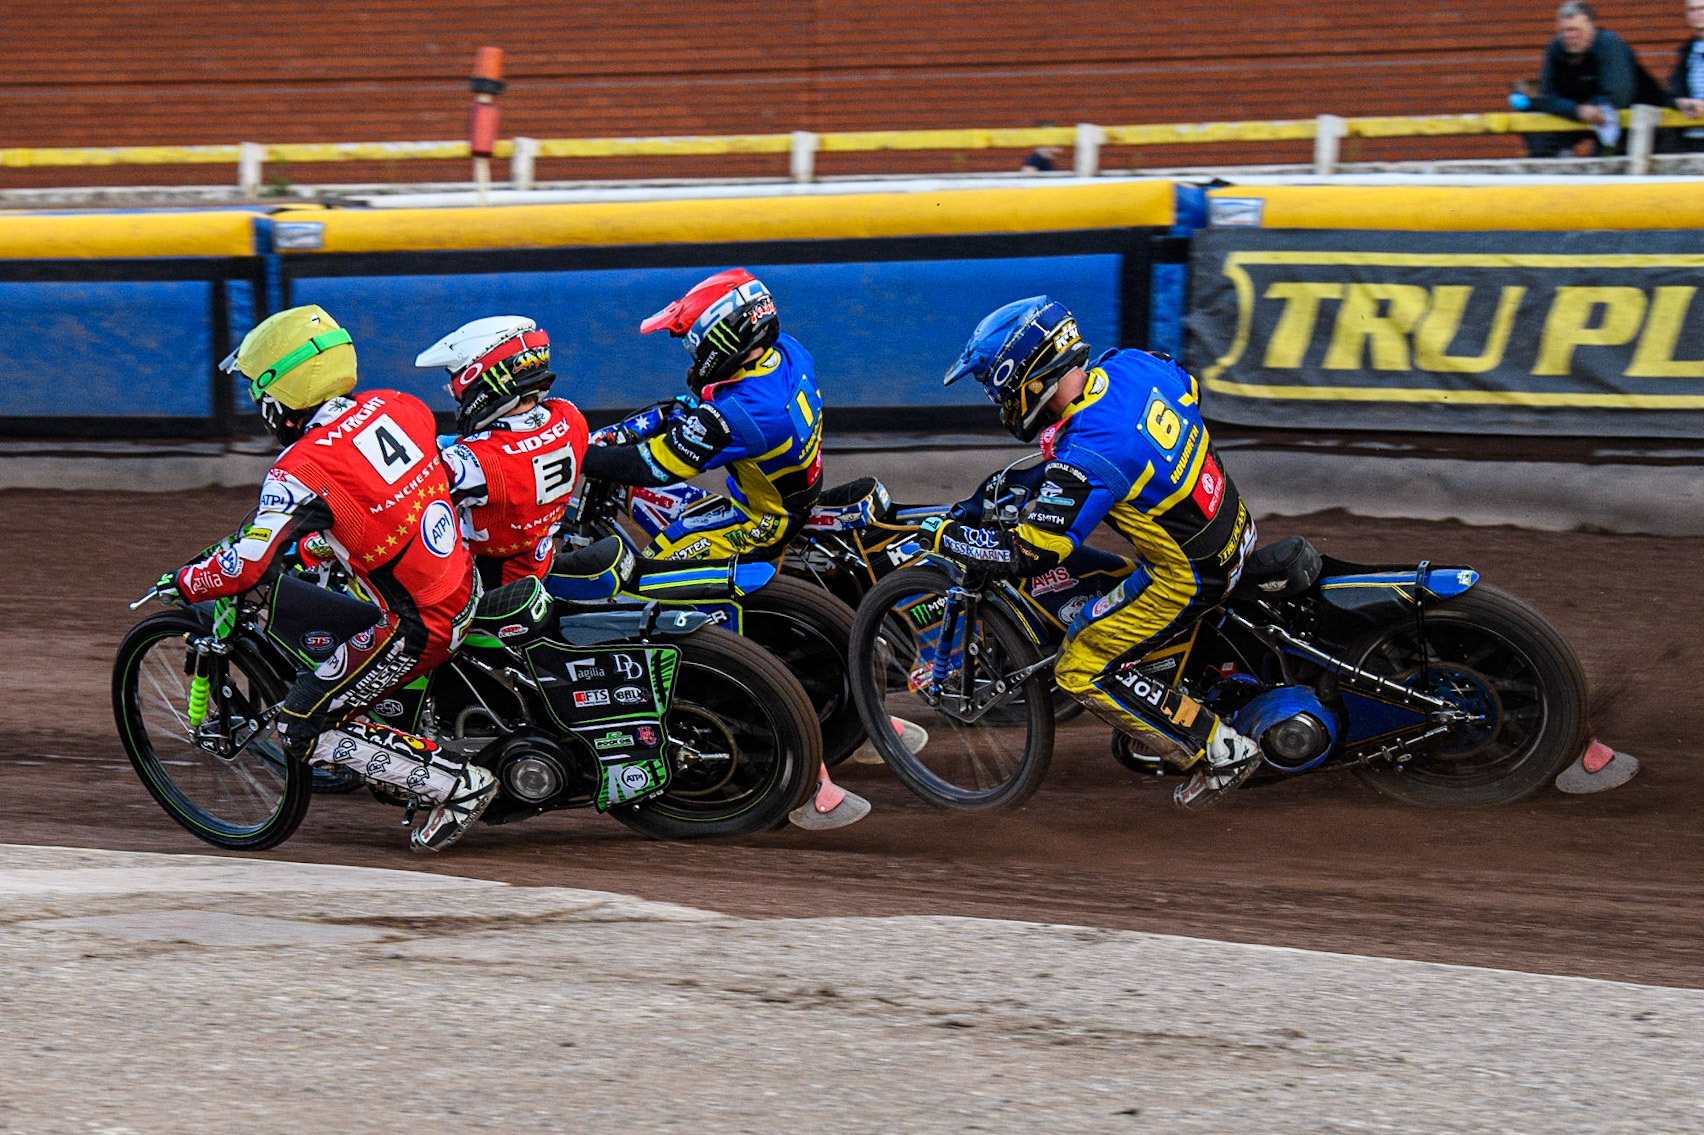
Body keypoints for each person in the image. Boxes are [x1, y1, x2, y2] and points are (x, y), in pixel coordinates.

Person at [163, 304, 496, 852]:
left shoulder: (298, 470)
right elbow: (391, 498)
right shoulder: (400, 406)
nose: (256, 402)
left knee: (298, 724)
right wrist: (324, 541)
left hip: (421, 624)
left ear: (280, 393)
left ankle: (456, 787)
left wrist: (189, 582)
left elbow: (246, 566)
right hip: (463, 578)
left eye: (256, 388)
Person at [927, 297, 1262, 809]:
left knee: (1078, 664)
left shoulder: (1088, 453)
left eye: (993, 384)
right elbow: (1187, 390)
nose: (996, 398)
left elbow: (1031, 553)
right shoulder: (1131, 364)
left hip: (1190, 575)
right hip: (1232, 525)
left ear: (1029, 377)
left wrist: (946, 536)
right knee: (1109, 581)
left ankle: (1216, 747)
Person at [581, 269, 823, 566]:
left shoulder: (738, 413)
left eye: (693, 346)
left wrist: (576, 454)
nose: (693, 357)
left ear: (722, 339)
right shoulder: (788, 351)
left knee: (647, 569)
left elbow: (652, 467)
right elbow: (694, 409)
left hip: (763, 522)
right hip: (785, 493)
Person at [415, 316, 589, 588]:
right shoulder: (569, 416)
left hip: (486, 584)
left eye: (458, 390)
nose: (457, 397)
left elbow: (409, 491)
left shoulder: (474, 461)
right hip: (538, 559)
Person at [1515, 2, 1646, 156]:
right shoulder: (1556, 49)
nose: (1570, 36)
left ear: (1592, 28)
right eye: (1565, 31)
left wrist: (1586, 108)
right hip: (1584, 119)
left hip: (1636, 127)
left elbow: (1619, 95)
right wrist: (1578, 110)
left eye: (1576, 30)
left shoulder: (1609, 45)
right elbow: (1548, 96)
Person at [1664, 0, 1704, 151]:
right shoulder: (1686, 51)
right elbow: (1670, 93)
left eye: (1701, 8)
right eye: (1692, 10)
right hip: (1691, 138)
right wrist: (1680, 102)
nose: (1697, 14)